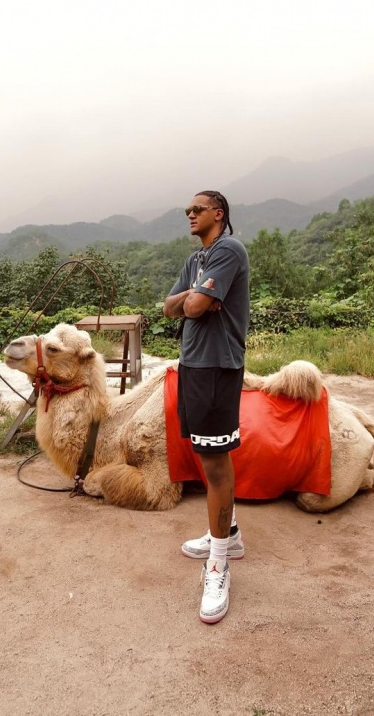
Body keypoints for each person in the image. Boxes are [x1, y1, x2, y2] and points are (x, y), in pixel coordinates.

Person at [162, 190, 250, 623]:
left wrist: (192, 302)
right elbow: (170, 307)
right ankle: (228, 534)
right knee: (203, 452)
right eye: (187, 211)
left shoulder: (228, 250)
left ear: (219, 213)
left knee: (215, 461)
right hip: (193, 364)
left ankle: (219, 565)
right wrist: (191, 301)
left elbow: (193, 305)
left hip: (218, 365)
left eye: (197, 209)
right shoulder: (195, 261)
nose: (190, 215)